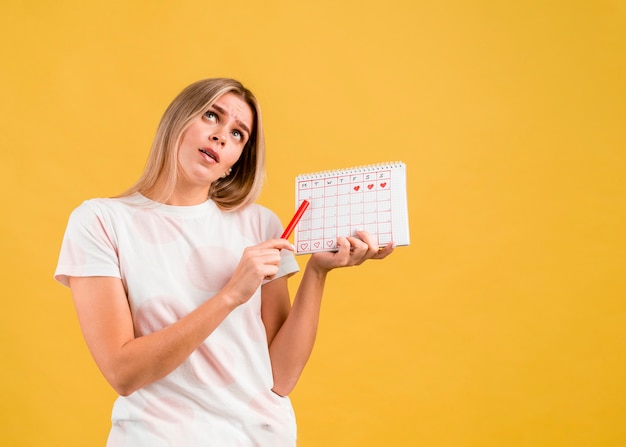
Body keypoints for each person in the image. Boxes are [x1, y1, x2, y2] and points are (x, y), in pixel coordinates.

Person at [55, 78, 394, 446]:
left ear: (234, 163)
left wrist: (317, 272)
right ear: (177, 122)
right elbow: (123, 373)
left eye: (237, 134)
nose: (221, 136)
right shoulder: (101, 221)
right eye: (211, 115)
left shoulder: (259, 224)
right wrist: (231, 293)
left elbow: (279, 378)